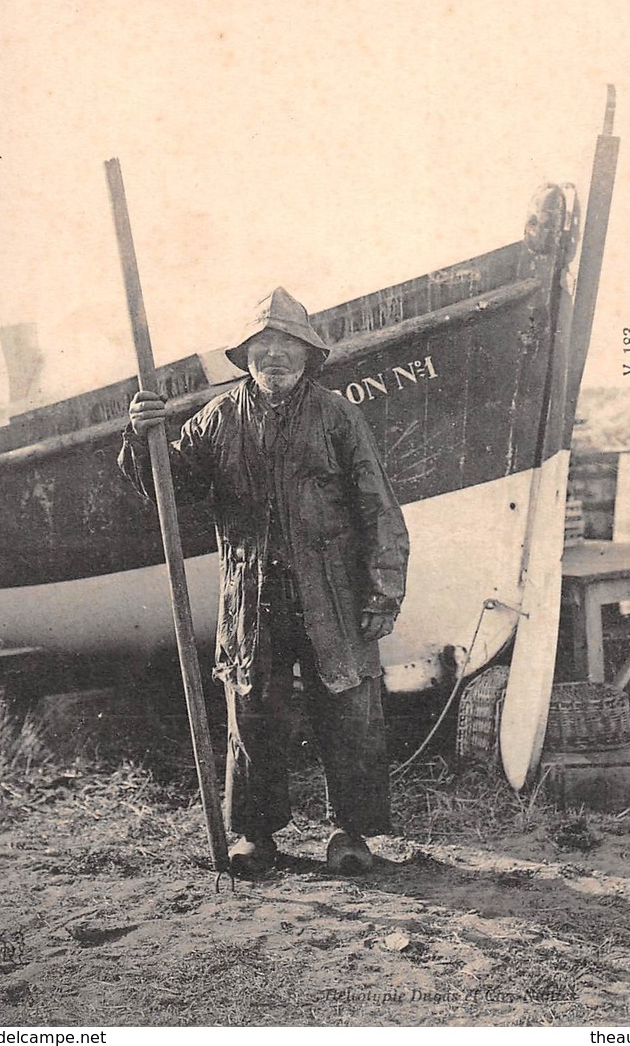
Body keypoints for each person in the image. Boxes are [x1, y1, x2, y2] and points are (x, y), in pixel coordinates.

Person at [119, 288, 409, 877]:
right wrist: (143, 434)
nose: (273, 358)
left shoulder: (336, 415)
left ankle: (349, 832)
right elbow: (168, 487)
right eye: (262, 348)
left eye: (286, 348)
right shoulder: (220, 418)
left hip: (332, 593)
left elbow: (379, 506)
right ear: (246, 357)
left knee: (348, 709)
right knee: (252, 710)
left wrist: (385, 590)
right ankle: (254, 833)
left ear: (308, 356)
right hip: (252, 595)